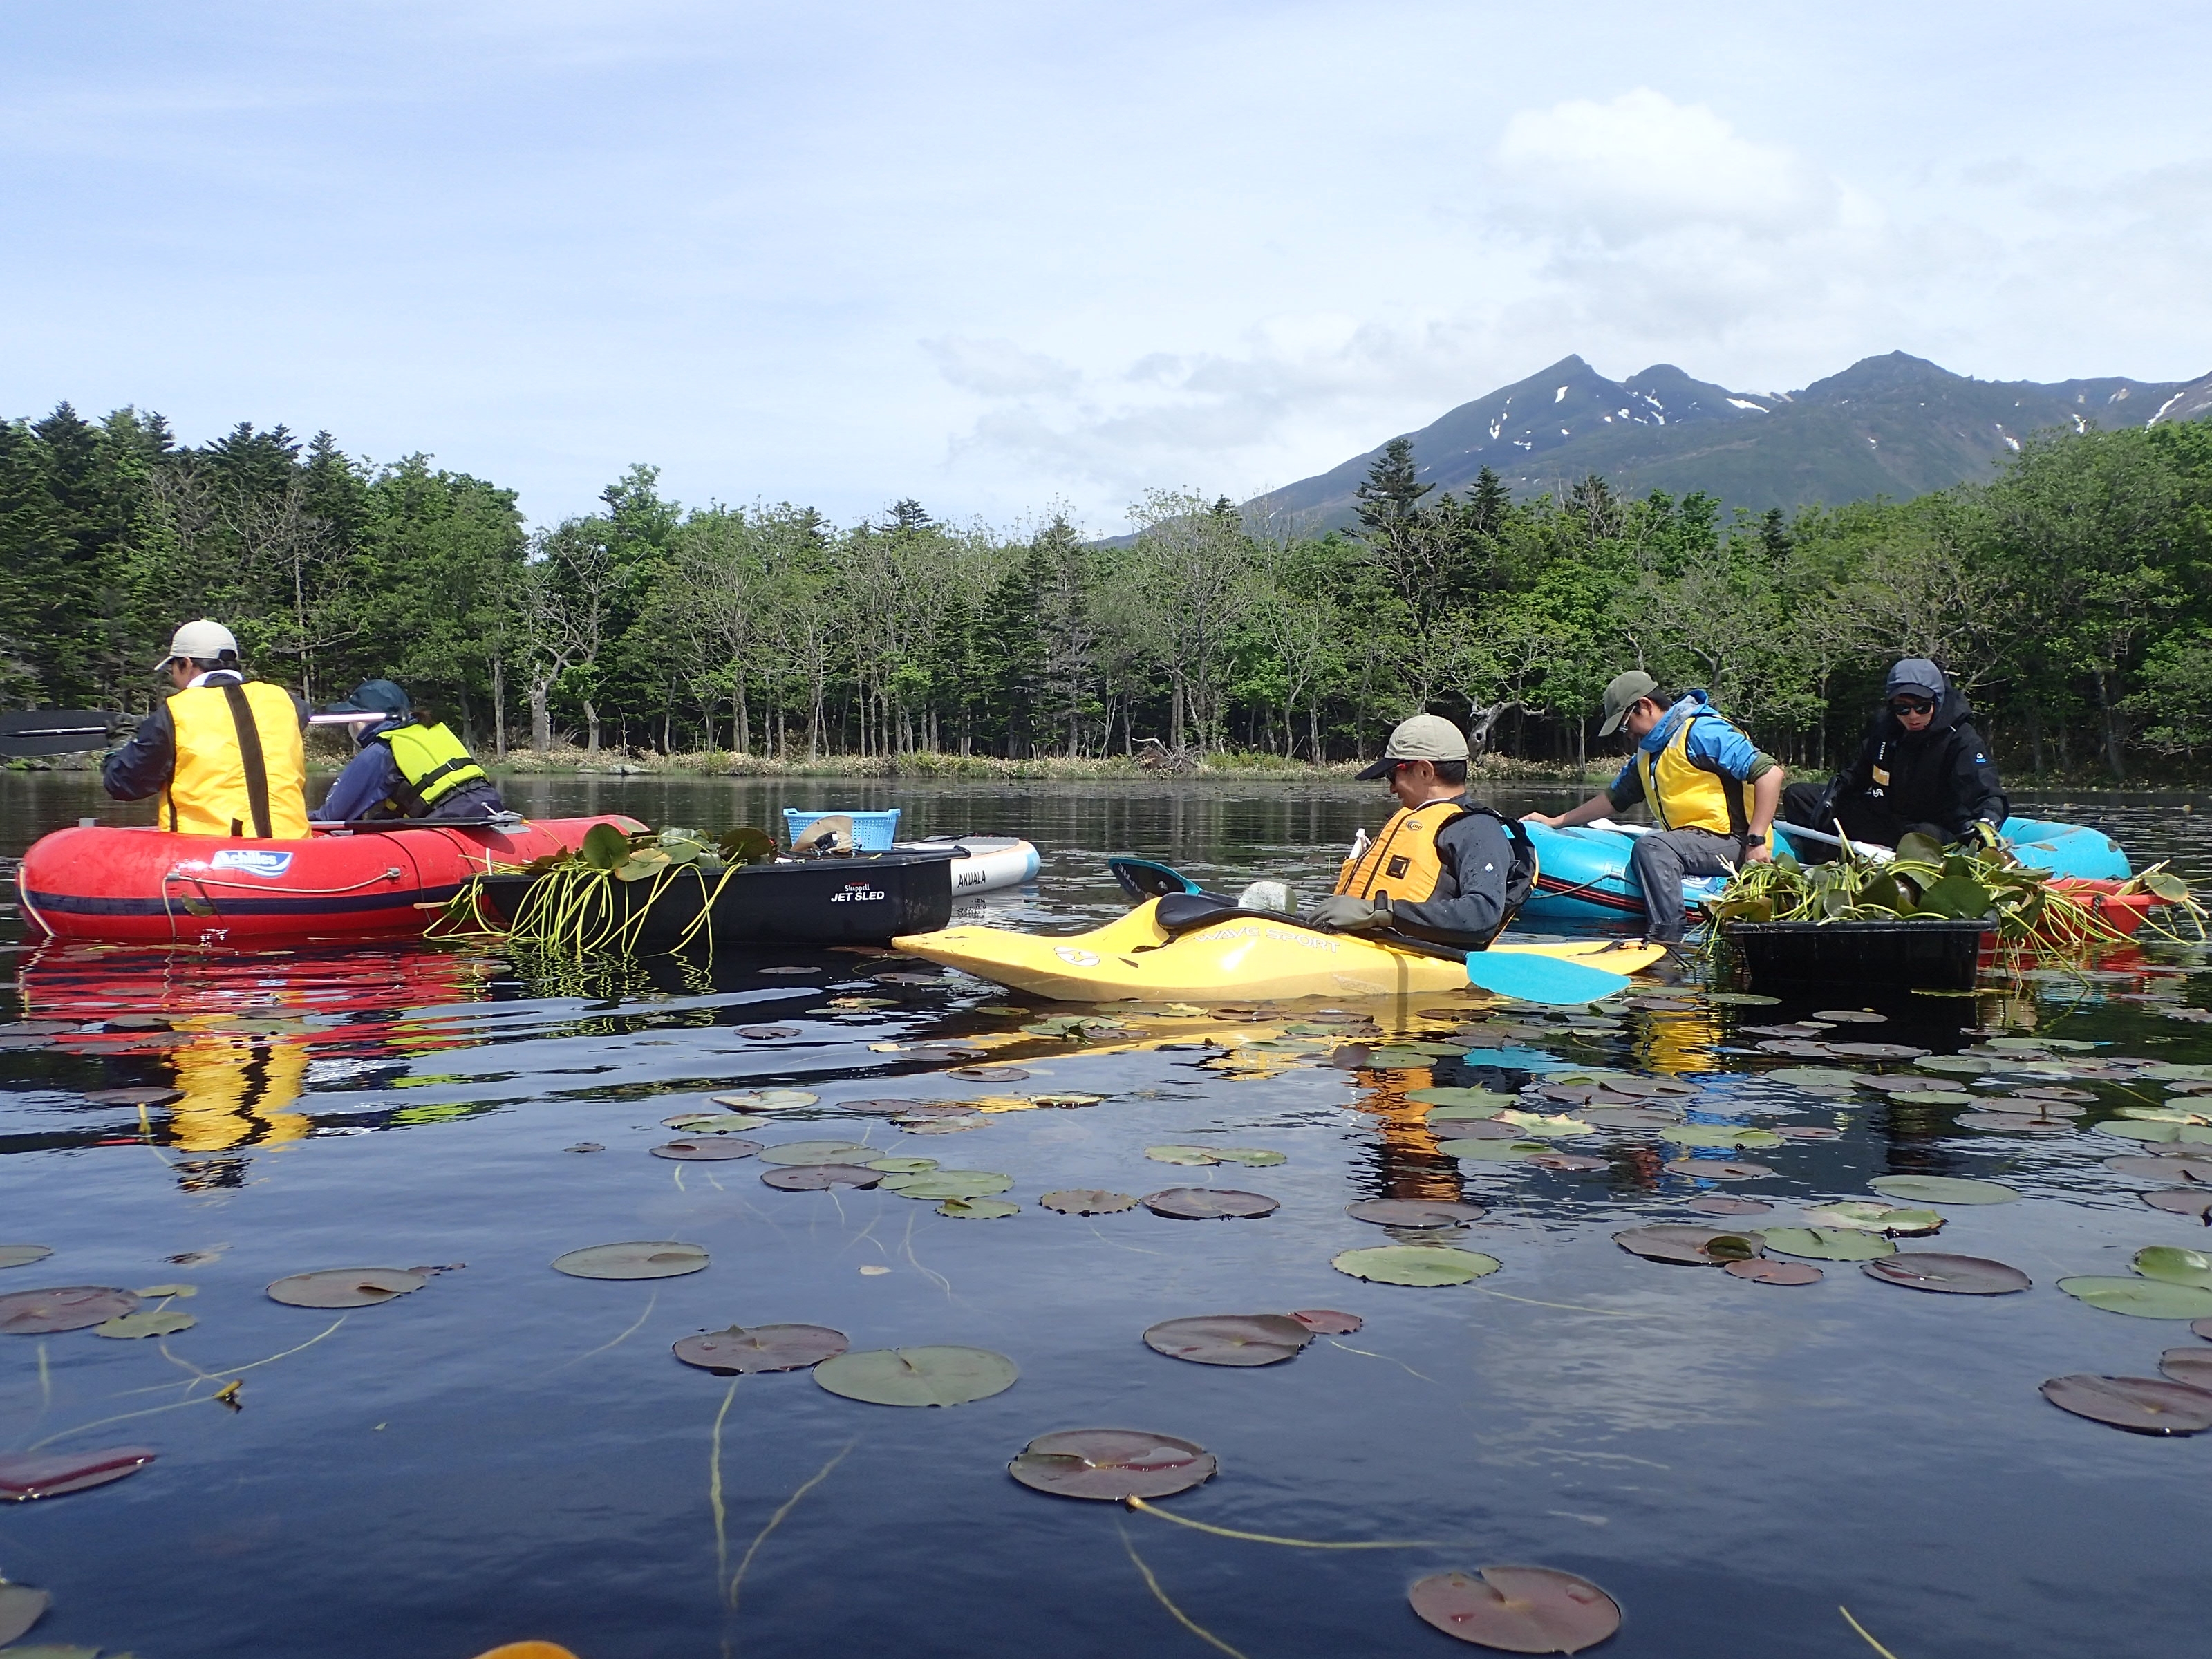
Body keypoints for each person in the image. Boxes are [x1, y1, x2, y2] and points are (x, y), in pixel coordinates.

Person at [1525, 670, 1784, 944]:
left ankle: (1668, 938)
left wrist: (1756, 841)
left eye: (1626, 725)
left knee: (1654, 848)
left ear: (1646, 706)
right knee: (1656, 844)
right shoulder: (1649, 751)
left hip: (1736, 841)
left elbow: (1770, 774)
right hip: (1698, 842)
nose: (1628, 736)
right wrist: (1556, 821)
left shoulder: (1702, 732)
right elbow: (1613, 799)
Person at [1304, 713, 1535, 950]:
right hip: (1364, 946)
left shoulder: (1477, 828)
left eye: (1392, 775)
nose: (1392, 788)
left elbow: (1483, 915)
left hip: (1421, 958)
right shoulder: (1412, 817)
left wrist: (1384, 912)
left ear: (1425, 771)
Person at [104, 619, 310, 838]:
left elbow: (123, 784)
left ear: (186, 663)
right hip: (294, 848)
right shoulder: (287, 702)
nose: (173, 676)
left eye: (172, 668)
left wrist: (122, 742)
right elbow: (299, 714)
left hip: (209, 852)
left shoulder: (175, 713)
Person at [1783, 658, 2006, 852]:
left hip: (1935, 827)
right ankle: (1826, 855)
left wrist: (1986, 822)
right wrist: (1833, 795)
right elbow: (1857, 774)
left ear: (1936, 701)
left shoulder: (1961, 738)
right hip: (1887, 819)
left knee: (1919, 835)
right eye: (1903, 709)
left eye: (1922, 707)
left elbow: (1988, 792)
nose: (1913, 717)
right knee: (1798, 795)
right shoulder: (1886, 728)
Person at [310, 679, 506, 823]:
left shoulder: (381, 751)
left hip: (451, 821)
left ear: (362, 719)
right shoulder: (429, 731)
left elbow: (332, 817)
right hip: (488, 808)